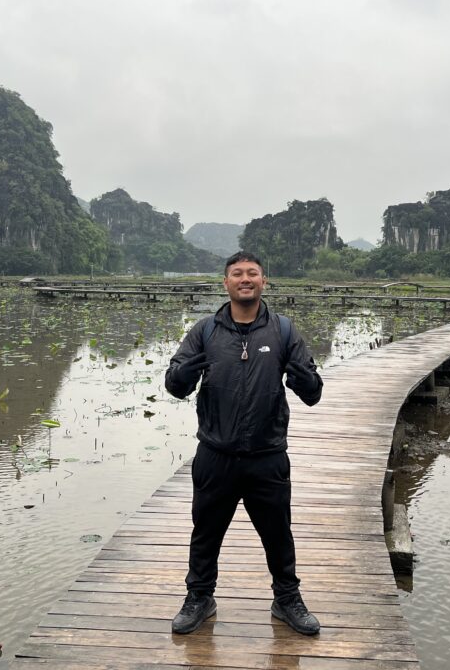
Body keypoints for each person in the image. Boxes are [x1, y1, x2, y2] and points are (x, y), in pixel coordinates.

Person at [165, 251, 324, 636]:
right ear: (226, 283)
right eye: (237, 273)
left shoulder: (284, 331)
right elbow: (175, 385)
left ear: (264, 281)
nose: (245, 279)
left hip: (267, 456)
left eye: (252, 273)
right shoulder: (205, 331)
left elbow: (313, 393)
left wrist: (301, 375)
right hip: (215, 455)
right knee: (205, 532)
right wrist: (184, 371)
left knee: (278, 534)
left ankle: (287, 599)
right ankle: (199, 598)